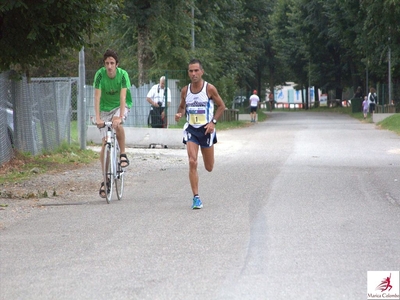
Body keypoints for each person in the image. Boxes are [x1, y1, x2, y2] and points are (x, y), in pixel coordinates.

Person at [175, 59, 226, 209]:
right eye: (191, 71)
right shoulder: (185, 90)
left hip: (206, 130)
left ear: (202, 72)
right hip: (191, 129)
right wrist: (179, 114)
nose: (193, 74)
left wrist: (213, 123)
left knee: (209, 167)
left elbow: (221, 106)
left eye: (196, 70)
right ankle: (196, 197)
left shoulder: (209, 89)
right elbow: (182, 107)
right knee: (192, 161)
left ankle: (206, 158)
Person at [94, 49, 132, 198]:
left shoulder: (123, 75)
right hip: (104, 108)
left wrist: (120, 116)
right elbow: (97, 97)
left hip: (120, 106)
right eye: (107, 63)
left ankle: (122, 154)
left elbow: (123, 97)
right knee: (105, 143)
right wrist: (98, 118)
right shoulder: (99, 75)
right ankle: (105, 179)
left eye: (112, 63)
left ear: (117, 64)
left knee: (118, 125)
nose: (109, 67)